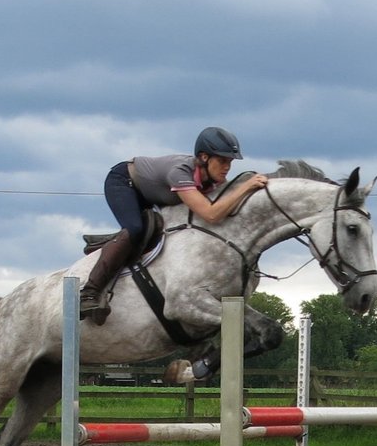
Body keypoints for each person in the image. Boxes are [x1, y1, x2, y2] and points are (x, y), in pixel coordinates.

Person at [79, 126, 269, 324]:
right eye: (222, 160)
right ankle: (88, 294)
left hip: (155, 192)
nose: (227, 167)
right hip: (124, 183)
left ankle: (112, 241)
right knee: (136, 229)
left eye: (230, 161)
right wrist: (247, 186)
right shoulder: (180, 172)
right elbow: (211, 214)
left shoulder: (213, 180)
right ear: (204, 157)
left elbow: (225, 208)